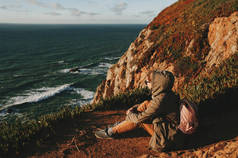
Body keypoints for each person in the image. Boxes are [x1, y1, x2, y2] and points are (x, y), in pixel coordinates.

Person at [95, 70, 184, 151]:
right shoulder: (167, 94)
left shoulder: (160, 101)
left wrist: (130, 113)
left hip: (169, 138)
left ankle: (111, 132)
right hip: (170, 128)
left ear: (156, 84)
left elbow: (139, 119)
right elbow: (150, 106)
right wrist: (135, 108)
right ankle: (121, 125)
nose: (146, 84)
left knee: (141, 121)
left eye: (147, 82)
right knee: (146, 103)